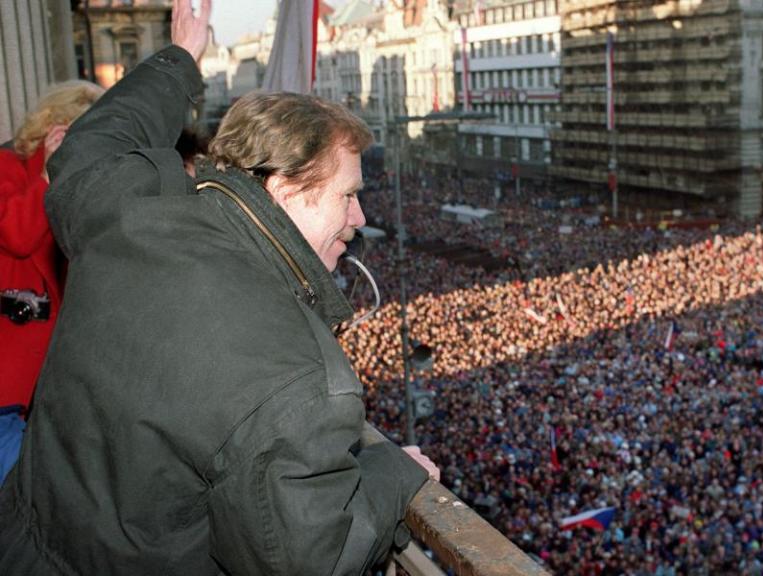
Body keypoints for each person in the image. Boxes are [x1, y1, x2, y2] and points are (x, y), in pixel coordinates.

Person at [0, 1, 437, 574]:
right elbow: (315, 556)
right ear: (285, 189)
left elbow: (92, 142)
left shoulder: (129, 214)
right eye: (348, 194)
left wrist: (183, 57)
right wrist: (397, 472)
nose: (359, 217)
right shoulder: (296, 374)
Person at [0, 79, 103, 482]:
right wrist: (47, 175)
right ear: (57, 131)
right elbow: (18, 236)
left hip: (44, 392)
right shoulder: (8, 170)